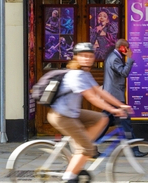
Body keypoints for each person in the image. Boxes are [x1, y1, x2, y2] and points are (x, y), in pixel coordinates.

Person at [47, 42, 129, 181]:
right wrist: (113, 110)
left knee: (102, 118)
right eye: (83, 56)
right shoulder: (76, 75)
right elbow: (91, 97)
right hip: (62, 116)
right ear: (76, 58)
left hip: (72, 113)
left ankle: (81, 150)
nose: (87, 59)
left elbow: (100, 92)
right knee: (88, 148)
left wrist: (120, 104)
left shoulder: (85, 74)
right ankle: (70, 176)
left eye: (90, 56)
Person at [103, 39, 147, 157]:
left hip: (112, 95)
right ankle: (134, 150)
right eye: (127, 47)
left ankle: (90, 146)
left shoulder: (113, 56)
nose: (129, 50)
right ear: (123, 48)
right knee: (126, 124)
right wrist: (130, 59)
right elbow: (124, 73)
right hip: (115, 96)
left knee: (104, 124)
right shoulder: (115, 58)